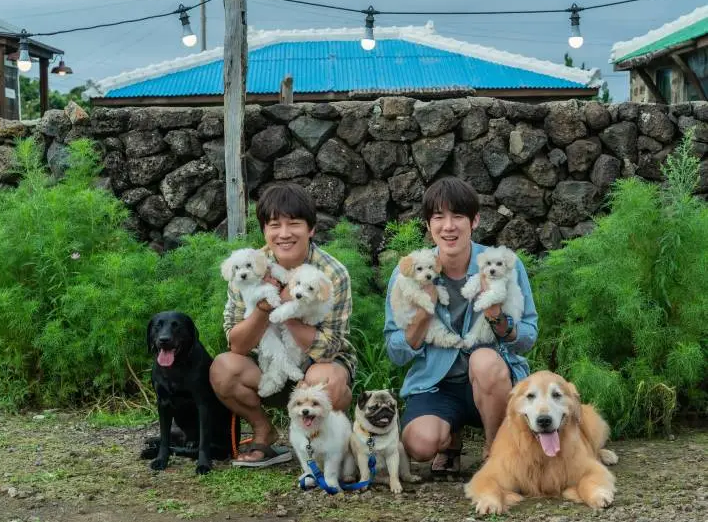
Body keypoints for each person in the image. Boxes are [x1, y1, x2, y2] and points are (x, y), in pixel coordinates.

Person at [384, 176, 538, 474]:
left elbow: (528, 337)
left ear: (474, 220)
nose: (448, 226)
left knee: (483, 360)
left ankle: (496, 451)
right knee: (419, 445)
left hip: (492, 382)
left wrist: (496, 316)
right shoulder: (409, 273)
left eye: (457, 216)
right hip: (436, 384)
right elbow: (396, 352)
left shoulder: (502, 264)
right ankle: (451, 440)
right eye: (438, 217)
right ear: (428, 225)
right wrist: (424, 313)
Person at [210, 182, 356, 467]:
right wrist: (265, 308)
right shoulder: (247, 266)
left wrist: (288, 307)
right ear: (264, 230)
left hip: (317, 363)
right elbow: (237, 345)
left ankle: (319, 443)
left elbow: (329, 349)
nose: (284, 233)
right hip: (268, 362)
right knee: (223, 368)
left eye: (294, 224)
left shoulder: (332, 272)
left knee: (328, 382)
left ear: (311, 229)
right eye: (275, 225)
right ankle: (263, 430)